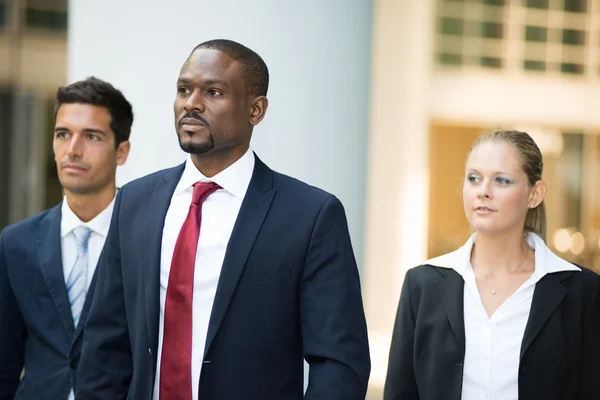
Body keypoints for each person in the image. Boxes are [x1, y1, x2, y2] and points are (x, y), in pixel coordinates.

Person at [76, 39, 370, 400]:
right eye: (184, 89)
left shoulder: (310, 216)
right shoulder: (135, 202)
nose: (191, 103)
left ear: (256, 110)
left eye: (213, 92)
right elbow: (104, 344)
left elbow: (339, 363)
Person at [384, 130, 600, 400]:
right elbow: (400, 393)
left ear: (534, 194)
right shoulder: (422, 284)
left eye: (501, 180)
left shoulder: (583, 292)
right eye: (474, 178)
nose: (483, 191)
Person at [0, 77, 133, 400]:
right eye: (63, 134)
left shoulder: (144, 241)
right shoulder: (16, 242)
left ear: (121, 152)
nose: (73, 150)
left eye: (91, 136)